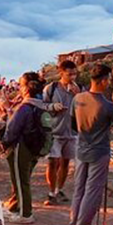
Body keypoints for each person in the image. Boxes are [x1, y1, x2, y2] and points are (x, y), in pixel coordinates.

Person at [70, 63, 113, 225]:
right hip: (99, 151)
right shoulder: (107, 105)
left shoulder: (77, 98)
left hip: (81, 148)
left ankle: (73, 224)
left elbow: (73, 125)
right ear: (104, 81)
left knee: (79, 188)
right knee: (93, 190)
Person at [0, 72, 47, 224]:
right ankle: (16, 207)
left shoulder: (25, 108)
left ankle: (25, 214)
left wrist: (4, 143)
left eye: (21, 85)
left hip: (21, 147)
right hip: (35, 147)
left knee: (20, 181)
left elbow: (12, 129)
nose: (19, 88)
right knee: (23, 179)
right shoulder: (41, 105)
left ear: (27, 88)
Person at [43, 60, 80, 205]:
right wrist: (53, 106)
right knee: (53, 162)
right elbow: (42, 106)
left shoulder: (79, 89)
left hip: (72, 133)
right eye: (69, 74)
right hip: (54, 132)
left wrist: (79, 96)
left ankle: (59, 189)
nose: (73, 77)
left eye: (75, 74)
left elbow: (85, 107)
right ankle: (51, 192)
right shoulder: (51, 88)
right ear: (61, 73)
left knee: (65, 162)